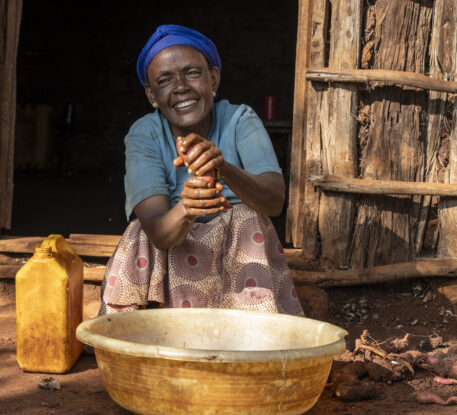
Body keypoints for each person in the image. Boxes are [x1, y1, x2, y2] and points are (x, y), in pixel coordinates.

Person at [98, 24, 303, 317]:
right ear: (151, 94)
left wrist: (223, 168)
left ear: (214, 78)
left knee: (247, 218)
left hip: (235, 256)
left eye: (192, 73)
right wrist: (186, 209)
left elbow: (274, 201)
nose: (181, 87)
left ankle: (248, 334)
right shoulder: (144, 134)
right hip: (172, 249)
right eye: (165, 80)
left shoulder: (239, 119)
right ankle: (142, 331)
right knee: (139, 231)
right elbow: (158, 230)